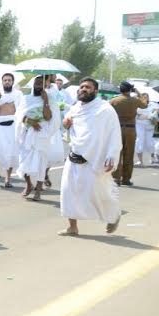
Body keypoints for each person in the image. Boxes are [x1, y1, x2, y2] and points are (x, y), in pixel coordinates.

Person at [59, 78, 122, 236]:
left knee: (98, 194)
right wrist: (66, 123)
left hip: (95, 158)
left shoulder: (105, 109)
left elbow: (114, 135)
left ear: (95, 90)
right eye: (81, 87)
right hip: (74, 156)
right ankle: (72, 227)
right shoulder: (76, 107)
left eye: (87, 87)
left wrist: (112, 157)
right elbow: (67, 122)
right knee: (68, 192)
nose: (83, 89)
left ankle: (113, 216)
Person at [15, 75, 54, 200]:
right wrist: (30, 121)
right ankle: (28, 185)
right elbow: (19, 116)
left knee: (41, 163)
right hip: (27, 132)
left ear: (45, 85)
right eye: (36, 82)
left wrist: (46, 101)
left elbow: (49, 118)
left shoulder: (50, 98)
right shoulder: (26, 99)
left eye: (40, 83)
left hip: (42, 133)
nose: (38, 85)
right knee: (23, 160)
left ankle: (38, 190)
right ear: (33, 84)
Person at [0, 72, 24, 187]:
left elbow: (21, 109)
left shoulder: (18, 94)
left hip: (12, 125)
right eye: (5, 80)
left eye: (9, 80)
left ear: (13, 82)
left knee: (11, 152)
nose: (7, 82)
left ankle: (8, 178)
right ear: (2, 82)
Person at [109, 81, 148, 186]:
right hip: (130, 130)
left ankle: (116, 178)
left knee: (117, 154)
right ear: (130, 90)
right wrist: (139, 93)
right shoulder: (134, 100)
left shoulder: (114, 100)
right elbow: (145, 104)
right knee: (129, 155)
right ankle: (126, 179)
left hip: (117, 129)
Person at [134, 95, 159, 166]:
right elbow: (135, 115)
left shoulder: (153, 104)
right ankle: (140, 161)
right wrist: (146, 117)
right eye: (143, 97)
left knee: (150, 144)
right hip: (140, 125)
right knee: (139, 141)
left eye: (146, 97)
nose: (145, 98)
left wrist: (155, 113)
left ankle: (152, 158)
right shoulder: (136, 105)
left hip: (150, 127)